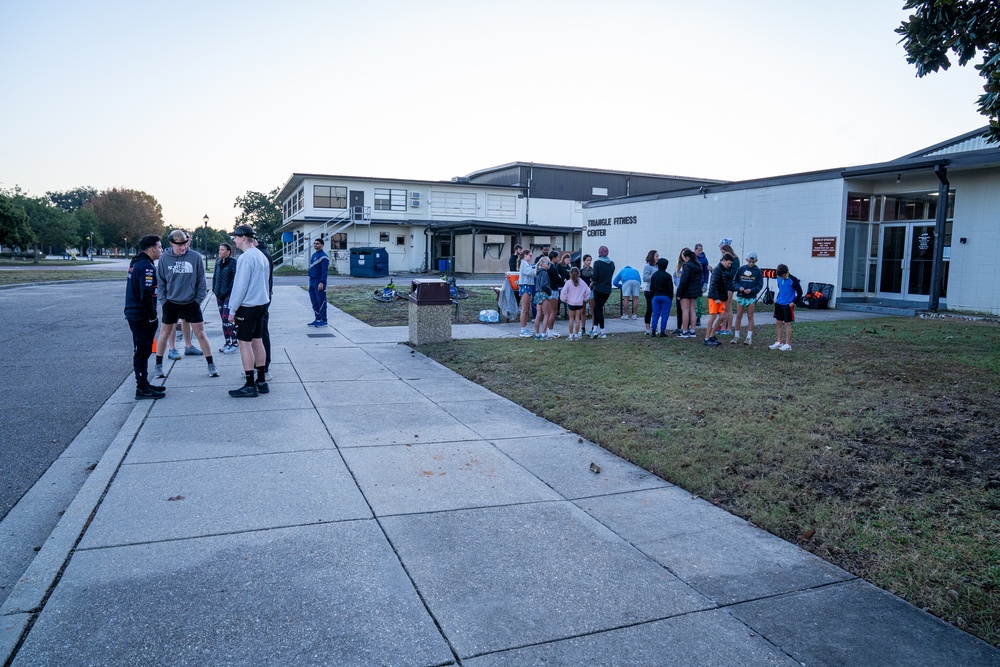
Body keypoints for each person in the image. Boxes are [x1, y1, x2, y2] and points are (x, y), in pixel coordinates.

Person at [153, 230, 218, 379]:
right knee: (165, 333)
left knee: (201, 334)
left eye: (184, 245)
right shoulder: (164, 259)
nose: (183, 248)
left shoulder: (195, 257)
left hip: (191, 302)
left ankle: (211, 365)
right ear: (171, 243)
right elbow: (161, 282)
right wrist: (163, 301)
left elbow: (201, 281)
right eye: (179, 246)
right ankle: (158, 366)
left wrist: (198, 300)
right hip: (171, 302)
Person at [227, 225, 271, 397]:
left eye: (235, 238)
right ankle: (261, 380)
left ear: (243, 237)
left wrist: (232, 310)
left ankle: (250, 384)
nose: (234, 241)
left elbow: (240, 287)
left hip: (248, 306)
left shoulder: (245, 258)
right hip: (261, 304)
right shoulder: (261, 256)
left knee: (244, 344)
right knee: (257, 341)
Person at [124, 235, 165, 399]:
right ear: (152, 249)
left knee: (144, 350)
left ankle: (144, 383)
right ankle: (141, 387)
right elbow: (145, 294)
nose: (161, 250)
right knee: (142, 351)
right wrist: (152, 316)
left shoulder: (138, 263)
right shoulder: (146, 267)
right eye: (160, 247)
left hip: (135, 314)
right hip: (140, 316)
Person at [732, 251, 763, 345]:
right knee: (739, 315)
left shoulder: (758, 271)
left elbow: (760, 285)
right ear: (747, 260)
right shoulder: (741, 269)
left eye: (753, 262)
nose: (751, 264)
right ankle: (736, 336)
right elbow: (735, 281)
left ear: (756, 261)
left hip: (751, 297)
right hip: (741, 296)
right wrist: (739, 288)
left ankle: (749, 337)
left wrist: (752, 290)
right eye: (749, 261)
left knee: (750, 316)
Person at [769, 263, 803, 351]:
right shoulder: (778, 279)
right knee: (778, 323)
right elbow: (781, 289)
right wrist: (777, 299)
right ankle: (779, 342)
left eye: (782, 276)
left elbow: (800, 292)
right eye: (779, 276)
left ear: (786, 273)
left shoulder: (793, 280)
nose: (781, 277)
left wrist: (793, 303)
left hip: (788, 304)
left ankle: (788, 344)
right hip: (779, 303)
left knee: (787, 324)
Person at [212, 242, 239, 353]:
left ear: (228, 251)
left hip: (229, 294)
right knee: (223, 321)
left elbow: (234, 278)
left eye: (222, 250)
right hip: (219, 294)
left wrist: (230, 292)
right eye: (219, 250)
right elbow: (215, 277)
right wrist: (214, 290)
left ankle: (234, 342)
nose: (220, 252)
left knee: (228, 319)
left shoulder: (233, 262)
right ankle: (227, 342)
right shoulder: (218, 263)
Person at [704, 253, 735, 346]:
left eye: (730, 264)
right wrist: (715, 297)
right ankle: (706, 338)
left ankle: (712, 335)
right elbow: (713, 284)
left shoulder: (722, 270)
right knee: (713, 316)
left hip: (721, 298)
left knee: (722, 316)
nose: (729, 266)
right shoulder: (718, 270)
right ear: (724, 260)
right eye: (728, 263)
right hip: (715, 298)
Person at [589, 246, 615, 338]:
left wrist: (591, 278)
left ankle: (602, 331)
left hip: (598, 288)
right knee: (597, 308)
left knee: (598, 309)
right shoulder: (611, 264)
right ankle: (595, 329)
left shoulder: (597, 263)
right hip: (607, 289)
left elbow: (595, 277)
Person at [676, 248, 702, 338]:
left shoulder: (687, 266)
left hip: (686, 291)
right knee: (692, 310)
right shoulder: (697, 266)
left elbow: (683, 281)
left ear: (686, 257)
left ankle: (685, 331)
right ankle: (692, 330)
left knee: (685, 311)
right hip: (694, 291)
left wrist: (679, 293)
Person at [560, 266, 589, 340]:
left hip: (571, 303)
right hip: (579, 303)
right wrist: (585, 299)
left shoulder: (568, 283)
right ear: (579, 274)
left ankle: (570, 335)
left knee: (571, 319)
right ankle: (576, 334)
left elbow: (563, 292)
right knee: (577, 319)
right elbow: (588, 291)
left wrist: (564, 299)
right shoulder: (582, 282)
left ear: (570, 274)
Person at [717, 239, 739, 336]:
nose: (722, 255)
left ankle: (729, 328)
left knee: (728, 308)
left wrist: (723, 272)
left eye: (723, 252)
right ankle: (723, 327)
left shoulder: (735, 261)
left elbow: (733, 274)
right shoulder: (723, 260)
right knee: (723, 308)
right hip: (723, 285)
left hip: (729, 286)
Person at [648, 257, 673, 337]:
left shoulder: (654, 275)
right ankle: (662, 331)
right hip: (665, 296)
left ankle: (653, 331)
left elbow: (651, 287)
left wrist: (652, 295)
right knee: (664, 315)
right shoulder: (668, 276)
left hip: (656, 296)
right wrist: (670, 297)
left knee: (655, 314)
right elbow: (670, 288)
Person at [307, 238, 329, 327]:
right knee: (314, 301)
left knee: (321, 301)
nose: (315, 245)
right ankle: (317, 318)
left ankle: (324, 320)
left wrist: (322, 282)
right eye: (314, 243)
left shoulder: (323, 256)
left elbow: (324, 271)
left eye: (318, 243)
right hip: (312, 280)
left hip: (319, 281)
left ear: (322, 245)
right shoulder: (314, 255)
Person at [532, 256, 555, 340]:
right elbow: (544, 285)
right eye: (548, 263)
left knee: (538, 315)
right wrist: (549, 292)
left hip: (537, 294)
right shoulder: (544, 273)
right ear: (543, 264)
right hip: (543, 294)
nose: (550, 265)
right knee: (546, 314)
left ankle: (537, 334)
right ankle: (543, 334)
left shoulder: (538, 272)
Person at [517, 248, 536, 337]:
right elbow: (528, 272)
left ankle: (524, 328)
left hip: (528, 285)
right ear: (525, 255)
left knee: (527, 309)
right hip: (525, 286)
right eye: (530, 255)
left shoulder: (526, 264)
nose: (531, 257)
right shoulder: (524, 263)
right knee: (525, 309)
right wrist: (537, 269)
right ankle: (522, 329)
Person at [641, 250, 658, 334]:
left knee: (656, 309)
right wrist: (655, 276)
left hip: (657, 290)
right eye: (656, 256)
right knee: (649, 309)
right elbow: (645, 278)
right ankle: (647, 328)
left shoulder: (658, 266)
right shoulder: (647, 266)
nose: (658, 258)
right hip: (649, 290)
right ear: (652, 257)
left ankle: (655, 327)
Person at [694, 243, 710, 327]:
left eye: (701, 250)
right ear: (695, 250)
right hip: (692, 284)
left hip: (700, 283)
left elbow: (706, 272)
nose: (700, 252)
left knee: (699, 302)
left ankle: (698, 318)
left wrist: (705, 282)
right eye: (698, 250)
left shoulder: (704, 259)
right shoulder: (691, 258)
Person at [580, 254, 595, 334]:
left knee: (593, 310)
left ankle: (593, 327)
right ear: (584, 261)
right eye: (587, 260)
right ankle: (583, 327)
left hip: (591, 291)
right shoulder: (581, 271)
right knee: (583, 310)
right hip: (583, 292)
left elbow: (595, 280)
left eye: (590, 260)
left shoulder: (593, 271)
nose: (589, 262)